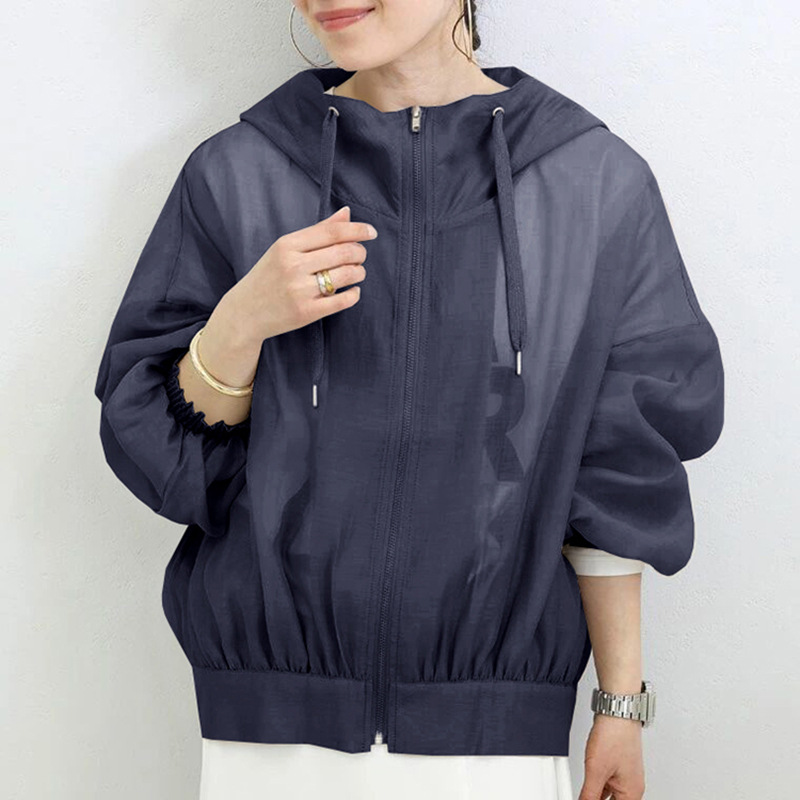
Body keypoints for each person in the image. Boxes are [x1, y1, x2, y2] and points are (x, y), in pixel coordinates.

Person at [94, 2, 725, 799]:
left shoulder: (591, 181)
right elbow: (167, 461)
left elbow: (617, 472)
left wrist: (619, 703)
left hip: (492, 741)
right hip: (270, 739)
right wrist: (240, 324)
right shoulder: (242, 171)